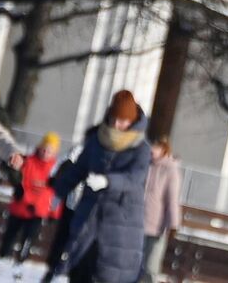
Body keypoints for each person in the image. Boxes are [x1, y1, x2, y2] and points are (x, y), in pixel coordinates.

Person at [51, 90, 154, 283]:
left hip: (121, 222)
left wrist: (108, 181)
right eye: (114, 119)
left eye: (122, 121)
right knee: (80, 268)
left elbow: (135, 178)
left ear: (132, 120)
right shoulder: (97, 140)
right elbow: (79, 168)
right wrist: (59, 191)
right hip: (88, 217)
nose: (117, 125)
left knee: (110, 273)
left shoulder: (141, 148)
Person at [0, 132, 61, 278]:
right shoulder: (29, 161)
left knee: (28, 239)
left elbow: (52, 193)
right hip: (20, 207)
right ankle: (1, 259)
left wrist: (54, 213)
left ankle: (20, 264)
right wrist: (26, 199)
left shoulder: (54, 169)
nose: (45, 153)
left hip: (38, 211)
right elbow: (23, 183)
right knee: (10, 235)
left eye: (50, 150)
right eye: (44, 148)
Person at [138, 136, 182, 283]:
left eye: (156, 147)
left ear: (164, 149)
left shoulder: (170, 170)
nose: (152, 150)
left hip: (157, 227)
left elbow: (172, 199)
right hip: (137, 223)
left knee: (150, 266)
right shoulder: (145, 165)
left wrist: (173, 224)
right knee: (133, 264)